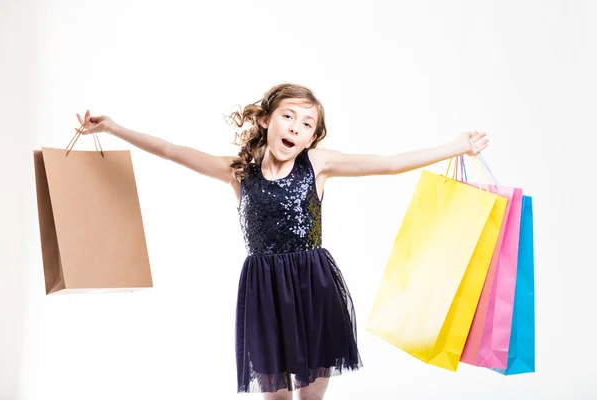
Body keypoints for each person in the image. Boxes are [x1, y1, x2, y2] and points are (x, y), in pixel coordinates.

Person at [75, 83, 488, 400]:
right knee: (276, 394)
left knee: (311, 394)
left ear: (312, 139)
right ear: (265, 120)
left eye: (307, 124)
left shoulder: (318, 165)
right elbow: (170, 150)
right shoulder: (239, 172)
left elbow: (389, 165)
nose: (296, 127)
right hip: (265, 292)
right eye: (288, 116)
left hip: (314, 287)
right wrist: (111, 127)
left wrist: (457, 146)